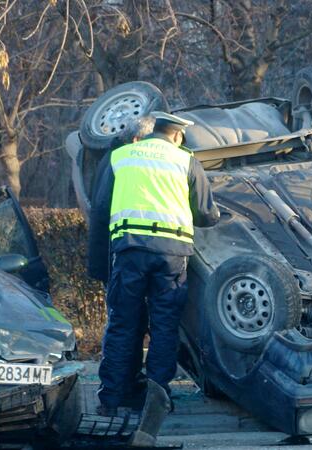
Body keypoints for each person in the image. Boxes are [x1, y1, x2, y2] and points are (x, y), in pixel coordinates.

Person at [90, 112, 220, 443]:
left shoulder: (120, 156)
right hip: (171, 255)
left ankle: (111, 400)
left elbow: (101, 206)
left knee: (122, 324)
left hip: (130, 251)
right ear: (176, 135)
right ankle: (156, 401)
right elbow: (206, 214)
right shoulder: (186, 160)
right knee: (164, 327)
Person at [88, 116, 156, 411]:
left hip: (119, 255)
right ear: (137, 141)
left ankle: (123, 389)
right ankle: (119, 392)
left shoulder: (114, 158)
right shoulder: (121, 160)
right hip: (118, 255)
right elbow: (103, 209)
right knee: (124, 323)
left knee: (126, 323)